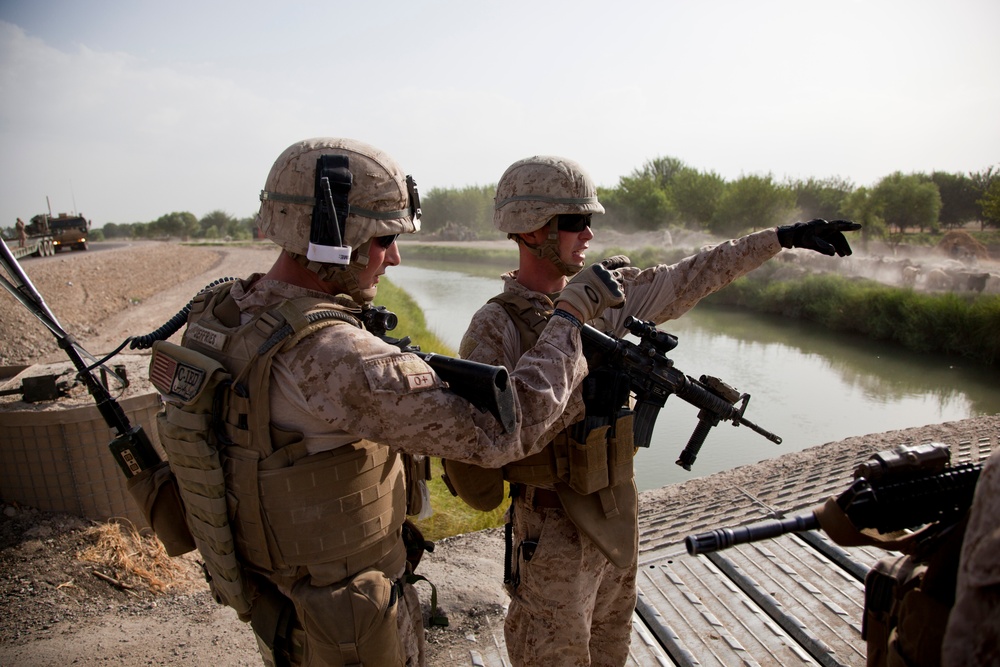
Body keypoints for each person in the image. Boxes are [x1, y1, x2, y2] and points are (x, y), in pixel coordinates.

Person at [145, 139, 626, 667]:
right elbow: (504, 430)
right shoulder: (335, 355)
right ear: (333, 238)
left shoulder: (224, 314)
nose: (394, 257)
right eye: (383, 239)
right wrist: (570, 319)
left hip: (281, 606)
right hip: (351, 625)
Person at [452, 155, 860, 667]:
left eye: (591, 222)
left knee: (611, 651)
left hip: (617, 514)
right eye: (575, 223)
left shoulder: (610, 299)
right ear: (532, 231)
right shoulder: (495, 327)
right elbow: (489, 439)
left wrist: (780, 237)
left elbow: (694, 275)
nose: (589, 236)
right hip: (551, 530)